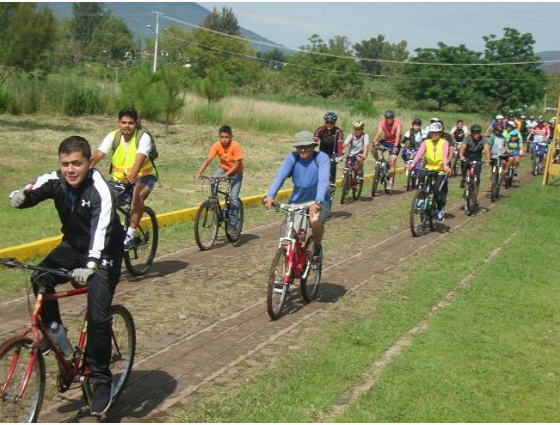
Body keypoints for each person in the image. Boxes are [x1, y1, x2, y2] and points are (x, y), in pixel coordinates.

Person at [9, 136, 124, 416]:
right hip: (73, 246)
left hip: (104, 253)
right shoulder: (56, 180)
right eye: (65, 164)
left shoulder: (99, 189)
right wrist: (21, 198)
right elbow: (32, 190)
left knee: (97, 318)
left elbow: (101, 229)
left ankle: (101, 380)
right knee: (40, 276)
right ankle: (56, 332)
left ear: (89, 162)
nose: (70, 169)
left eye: (76, 163)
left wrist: (91, 264)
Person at [92, 107, 158, 251]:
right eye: (123, 122)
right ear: (118, 123)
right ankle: (112, 230)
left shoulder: (143, 137)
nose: (126, 126)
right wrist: (84, 168)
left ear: (136, 123)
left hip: (144, 176)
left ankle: (130, 235)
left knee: (137, 195)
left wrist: (134, 173)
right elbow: (98, 154)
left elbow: (140, 158)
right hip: (119, 180)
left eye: (130, 123)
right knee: (100, 199)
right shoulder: (113, 137)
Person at [264, 131, 330, 261]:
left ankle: (317, 246)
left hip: (318, 199)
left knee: (314, 220)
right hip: (298, 200)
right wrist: (270, 195)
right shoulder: (292, 158)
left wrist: (318, 201)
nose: (303, 150)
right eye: (300, 146)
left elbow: (323, 180)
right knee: (291, 236)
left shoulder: (321, 158)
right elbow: (280, 176)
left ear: (313, 146)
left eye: (306, 146)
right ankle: (292, 264)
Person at [195, 125, 244, 229]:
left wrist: (226, 175)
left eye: (227, 137)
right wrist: (199, 173)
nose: (224, 139)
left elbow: (237, 164)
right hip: (223, 168)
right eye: (222, 137)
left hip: (236, 172)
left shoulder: (235, 146)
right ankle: (214, 201)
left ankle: (233, 224)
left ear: (231, 136)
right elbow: (208, 160)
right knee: (213, 179)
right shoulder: (216, 146)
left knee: (234, 198)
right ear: (219, 136)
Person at [407, 122, 451, 222]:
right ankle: (421, 198)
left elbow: (444, 155)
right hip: (429, 167)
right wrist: (413, 162)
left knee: (437, 190)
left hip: (440, 169)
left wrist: (445, 165)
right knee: (421, 176)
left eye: (437, 133)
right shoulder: (426, 142)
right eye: (432, 132)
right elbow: (419, 153)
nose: (434, 134)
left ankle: (440, 210)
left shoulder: (444, 142)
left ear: (440, 133)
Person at [371, 109, 402, 191]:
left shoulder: (397, 124)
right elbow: (379, 133)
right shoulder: (382, 123)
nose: (388, 120)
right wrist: (373, 142)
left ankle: (390, 182)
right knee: (372, 148)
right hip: (386, 141)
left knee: (393, 160)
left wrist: (395, 147)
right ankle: (377, 161)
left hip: (395, 143)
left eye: (390, 118)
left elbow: (398, 136)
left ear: (393, 118)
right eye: (386, 118)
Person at [315, 112, 344, 185]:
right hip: (322, 152)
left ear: (334, 123)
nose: (329, 125)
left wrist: (340, 155)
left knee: (332, 163)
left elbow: (340, 143)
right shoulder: (321, 130)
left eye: (331, 123)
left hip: (334, 153)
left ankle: (332, 182)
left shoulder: (338, 131)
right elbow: (314, 140)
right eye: (327, 122)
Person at [459, 124, 491, 189]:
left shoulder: (483, 139)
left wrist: (488, 160)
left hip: (477, 158)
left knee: (477, 175)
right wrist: (461, 156)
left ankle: (475, 190)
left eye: (478, 132)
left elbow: (487, 149)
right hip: (467, 157)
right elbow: (463, 147)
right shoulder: (467, 138)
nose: (477, 134)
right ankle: (463, 178)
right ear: (472, 133)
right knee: (464, 166)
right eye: (475, 133)